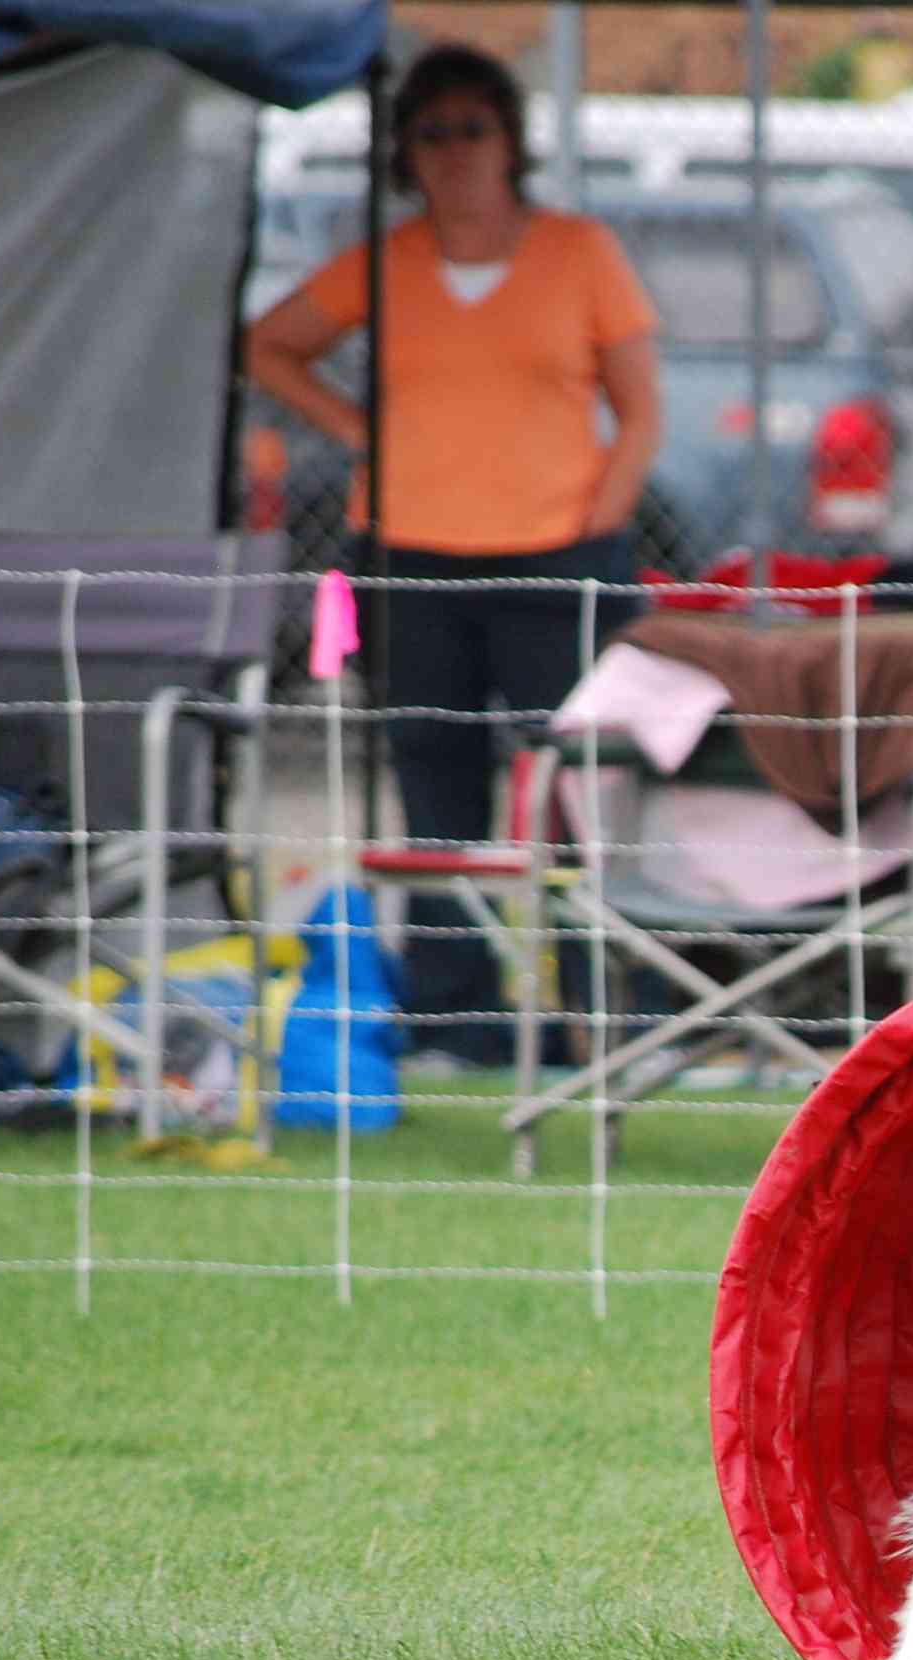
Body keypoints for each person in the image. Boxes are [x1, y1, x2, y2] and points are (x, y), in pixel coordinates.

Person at [243, 44, 663, 1062]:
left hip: (556, 559)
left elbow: (640, 411)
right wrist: (358, 433)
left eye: (474, 129)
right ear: (404, 154)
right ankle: (454, 1015)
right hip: (412, 557)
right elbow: (265, 344)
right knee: (435, 783)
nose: (455, 152)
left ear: (511, 143)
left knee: (574, 787)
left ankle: (605, 1011)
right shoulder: (385, 264)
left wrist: (596, 524)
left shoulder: (579, 252)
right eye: (432, 133)